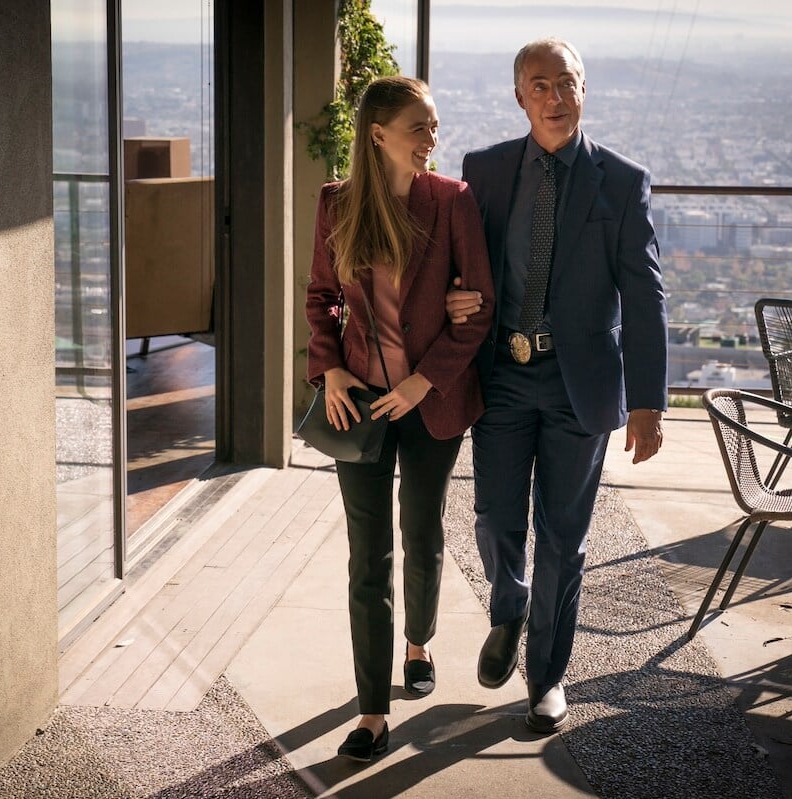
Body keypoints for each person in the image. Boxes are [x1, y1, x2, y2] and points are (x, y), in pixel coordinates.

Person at [445, 38, 668, 733]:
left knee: (563, 539)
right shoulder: (481, 171)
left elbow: (646, 297)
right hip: (503, 376)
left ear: (584, 90)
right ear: (519, 97)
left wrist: (648, 402)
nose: (555, 97)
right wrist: (455, 298)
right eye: (539, 86)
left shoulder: (622, 182)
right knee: (494, 518)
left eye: (566, 83)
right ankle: (508, 606)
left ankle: (546, 677)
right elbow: (458, 264)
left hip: (582, 388)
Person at [305, 75, 495, 762]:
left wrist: (422, 380)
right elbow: (324, 298)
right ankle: (371, 710)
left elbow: (481, 310)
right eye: (421, 127)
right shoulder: (337, 203)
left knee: (421, 529)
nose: (432, 139)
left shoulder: (452, 202)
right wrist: (328, 366)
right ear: (378, 133)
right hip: (356, 404)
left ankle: (418, 641)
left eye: (435, 126)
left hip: (429, 400)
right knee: (367, 557)